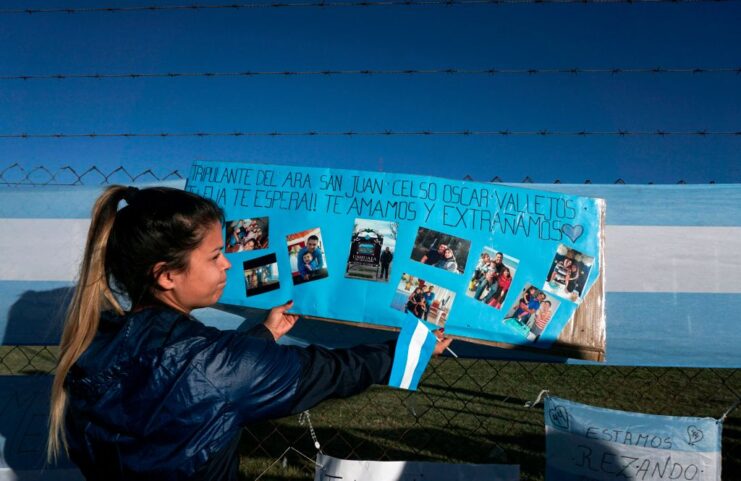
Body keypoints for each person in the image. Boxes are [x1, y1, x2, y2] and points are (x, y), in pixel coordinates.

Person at [47, 186, 452, 481]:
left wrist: (262, 337)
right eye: (214, 256)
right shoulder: (210, 363)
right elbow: (328, 371)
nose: (227, 265)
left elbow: (193, 380)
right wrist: (407, 348)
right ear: (167, 275)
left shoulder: (90, 346)